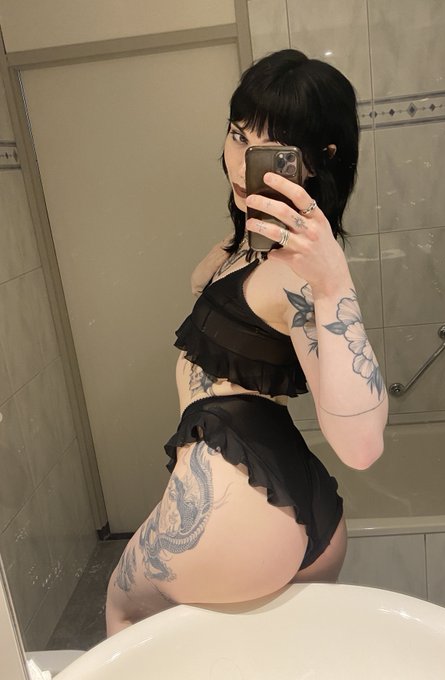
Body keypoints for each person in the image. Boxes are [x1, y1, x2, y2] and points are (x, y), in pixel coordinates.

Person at [105, 49, 388, 636]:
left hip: (238, 502)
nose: (241, 162)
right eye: (238, 135)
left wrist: (333, 285)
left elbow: (361, 447)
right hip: (291, 495)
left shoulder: (299, 276)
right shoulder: (246, 251)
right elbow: (220, 298)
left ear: (315, 162)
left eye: (270, 149)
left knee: (124, 608)